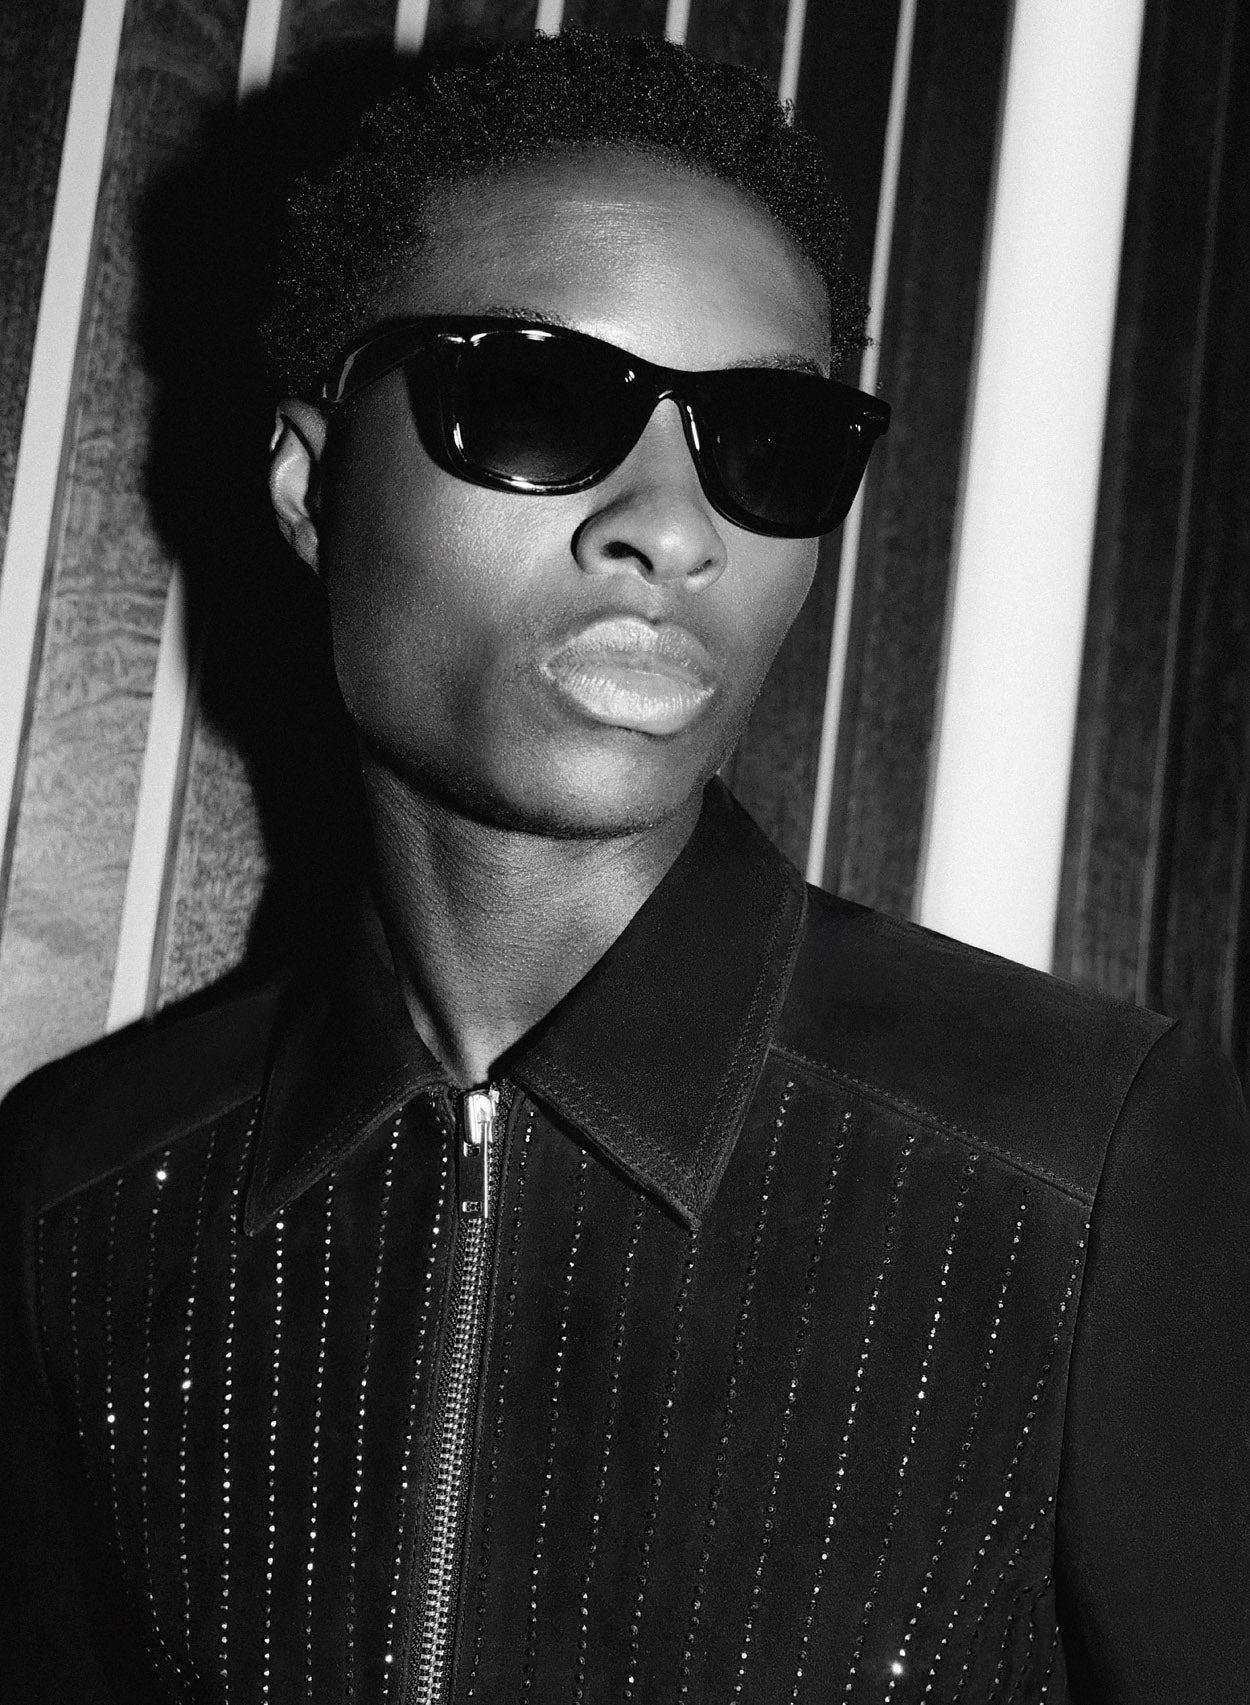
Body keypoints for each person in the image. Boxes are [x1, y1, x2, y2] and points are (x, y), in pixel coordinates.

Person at [1, 29, 1246, 1705]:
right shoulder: (76, 1199)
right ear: (309, 480)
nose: (669, 523)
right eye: (536, 399)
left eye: (767, 438)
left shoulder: (1080, 1161)